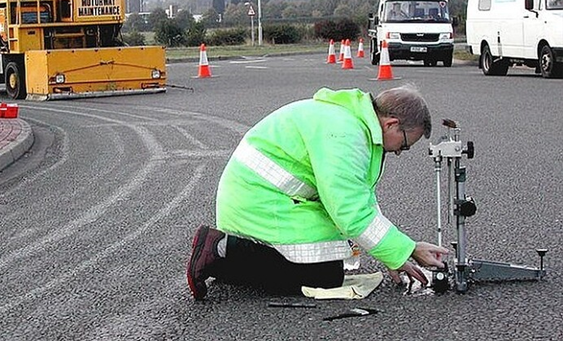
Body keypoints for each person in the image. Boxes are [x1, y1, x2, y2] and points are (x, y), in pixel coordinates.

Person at [186, 85, 449, 300]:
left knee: (330, 268)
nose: (400, 152)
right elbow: (350, 213)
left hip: (262, 200)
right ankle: (223, 251)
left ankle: (234, 261)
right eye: (405, 144)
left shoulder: (350, 120)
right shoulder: (346, 134)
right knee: (322, 278)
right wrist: (406, 250)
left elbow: (359, 199)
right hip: (258, 204)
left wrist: (394, 251)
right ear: (392, 124)